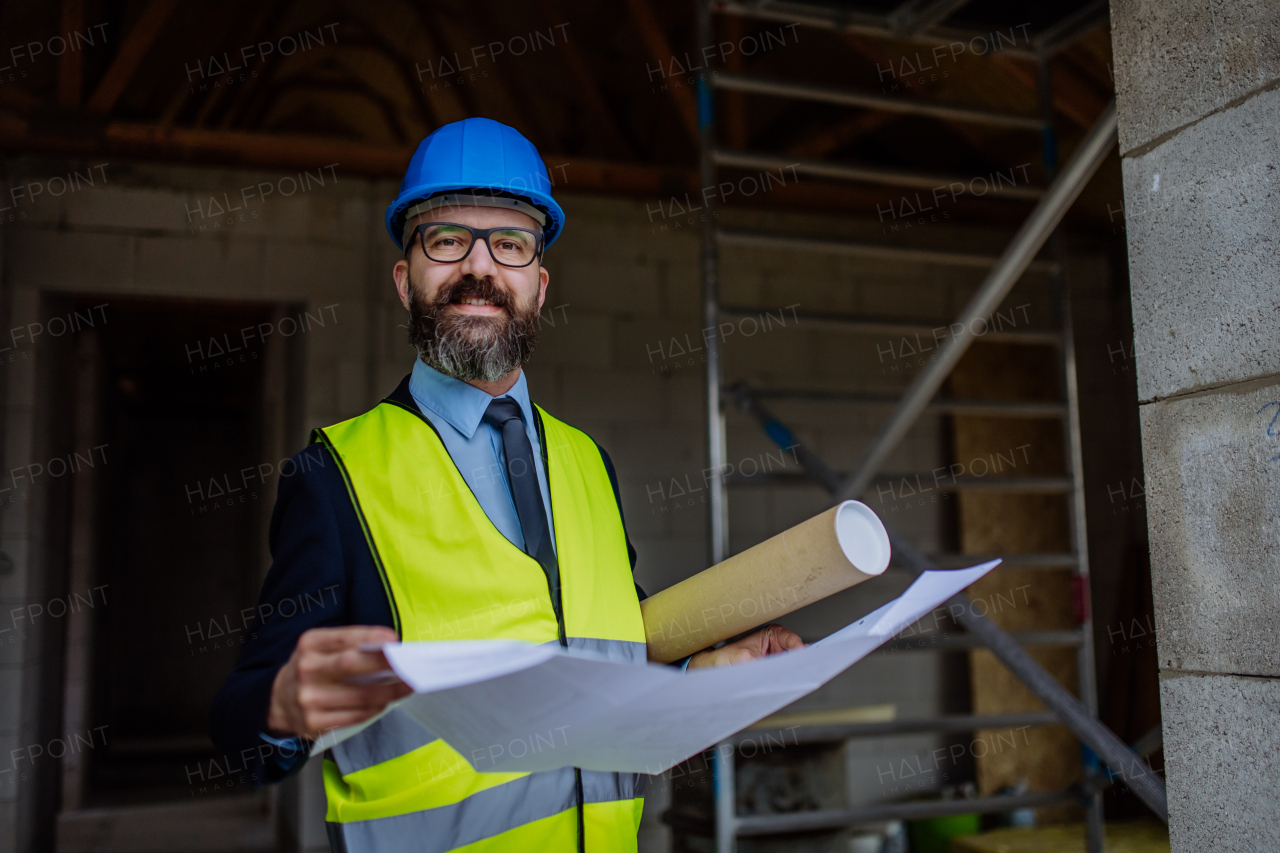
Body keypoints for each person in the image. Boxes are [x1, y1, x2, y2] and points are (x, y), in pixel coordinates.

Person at [211, 117, 803, 853]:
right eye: (446, 238)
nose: (479, 267)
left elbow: (600, 641)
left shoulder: (588, 461)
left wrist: (702, 671)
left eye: (511, 243)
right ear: (406, 280)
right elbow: (237, 732)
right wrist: (279, 706)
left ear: (538, 285)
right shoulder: (336, 475)